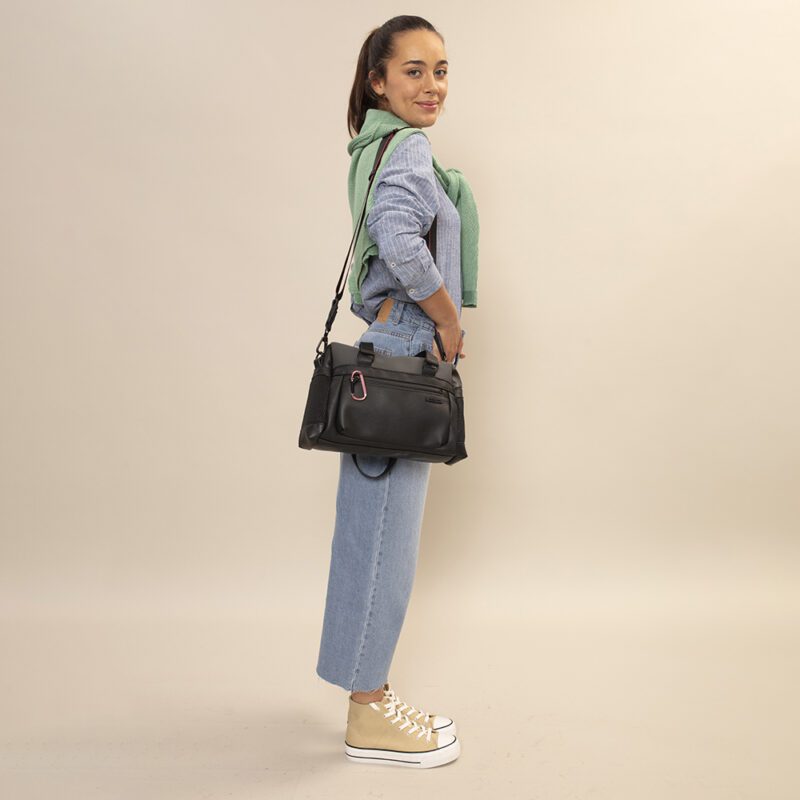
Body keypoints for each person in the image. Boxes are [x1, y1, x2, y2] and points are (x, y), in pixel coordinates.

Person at [314, 15, 480, 769]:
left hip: (387, 346)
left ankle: (368, 698)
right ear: (377, 80)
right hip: (406, 343)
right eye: (414, 71)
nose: (432, 85)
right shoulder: (406, 148)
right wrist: (446, 319)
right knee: (385, 539)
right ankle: (370, 711)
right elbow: (400, 236)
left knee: (369, 531)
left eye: (440, 70)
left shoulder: (375, 145)